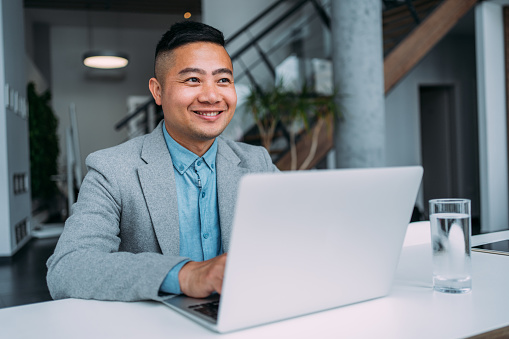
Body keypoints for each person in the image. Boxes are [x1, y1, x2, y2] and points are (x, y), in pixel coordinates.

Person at [46, 21, 278, 302]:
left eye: (223, 80)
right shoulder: (113, 170)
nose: (212, 95)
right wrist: (185, 275)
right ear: (157, 91)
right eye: (193, 79)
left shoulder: (257, 163)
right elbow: (68, 268)